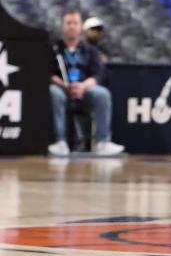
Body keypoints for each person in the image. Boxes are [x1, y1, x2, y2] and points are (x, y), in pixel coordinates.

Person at [49, 9, 124, 156]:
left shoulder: (90, 50)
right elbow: (48, 73)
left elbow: (98, 74)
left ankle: (103, 142)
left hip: (85, 90)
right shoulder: (54, 48)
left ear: (80, 26)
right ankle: (60, 141)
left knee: (102, 94)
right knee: (53, 92)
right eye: (68, 23)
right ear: (62, 26)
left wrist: (82, 86)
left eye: (75, 23)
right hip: (62, 89)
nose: (71, 26)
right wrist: (64, 85)